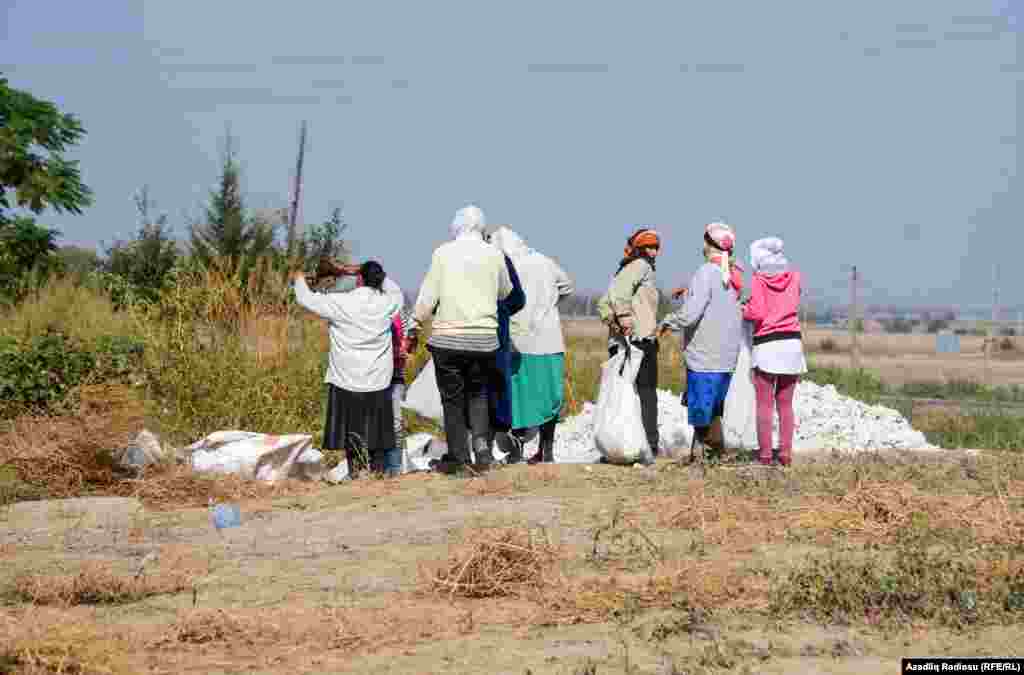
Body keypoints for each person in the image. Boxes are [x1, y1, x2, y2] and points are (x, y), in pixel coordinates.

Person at [407, 205, 514, 475]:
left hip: (448, 340)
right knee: (478, 395)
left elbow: (428, 296)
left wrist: (415, 325)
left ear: (457, 225)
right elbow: (506, 292)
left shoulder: (442, 253)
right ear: (482, 226)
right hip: (484, 340)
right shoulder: (495, 254)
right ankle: (482, 452)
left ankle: (458, 458)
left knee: (452, 400)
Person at [291, 261, 403, 478]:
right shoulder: (387, 303)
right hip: (378, 379)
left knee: (353, 430)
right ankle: (378, 473)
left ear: (359, 279)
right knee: (377, 433)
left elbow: (304, 298)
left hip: (346, 378)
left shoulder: (340, 302)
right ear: (379, 280)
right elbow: (395, 290)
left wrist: (298, 278)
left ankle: (356, 472)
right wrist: (359, 270)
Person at [659, 223, 743, 465]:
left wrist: (668, 321)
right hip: (727, 357)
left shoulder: (705, 272)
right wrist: (689, 292)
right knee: (715, 407)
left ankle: (700, 457)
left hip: (705, 356)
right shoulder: (734, 275)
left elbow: (690, 314)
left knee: (700, 408)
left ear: (708, 244)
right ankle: (712, 453)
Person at [488, 226, 574, 464]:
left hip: (518, 341)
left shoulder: (503, 265)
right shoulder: (545, 261)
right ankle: (546, 451)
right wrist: (549, 304)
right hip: (549, 338)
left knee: (517, 399)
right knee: (550, 398)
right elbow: (567, 287)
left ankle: (516, 452)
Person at [597, 228, 663, 462]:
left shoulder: (624, 270)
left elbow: (604, 303)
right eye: (648, 247)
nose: (654, 252)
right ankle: (649, 444)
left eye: (656, 247)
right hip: (639, 341)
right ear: (639, 249)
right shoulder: (641, 266)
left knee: (623, 394)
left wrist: (614, 323)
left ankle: (624, 442)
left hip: (623, 343)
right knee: (645, 393)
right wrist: (624, 319)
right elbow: (616, 297)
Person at [742, 237, 806, 467]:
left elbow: (757, 313)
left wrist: (743, 309)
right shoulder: (796, 276)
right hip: (792, 344)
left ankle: (766, 455)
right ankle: (786, 454)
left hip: (768, 344)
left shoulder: (758, 280)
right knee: (786, 404)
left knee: (764, 404)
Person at [480, 225, 527, 461]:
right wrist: (501, 311)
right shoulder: (500, 258)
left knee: (473, 391)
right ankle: (494, 441)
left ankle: (481, 448)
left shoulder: (451, 257)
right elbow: (518, 298)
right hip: (496, 335)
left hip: (464, 337)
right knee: (497, 388)